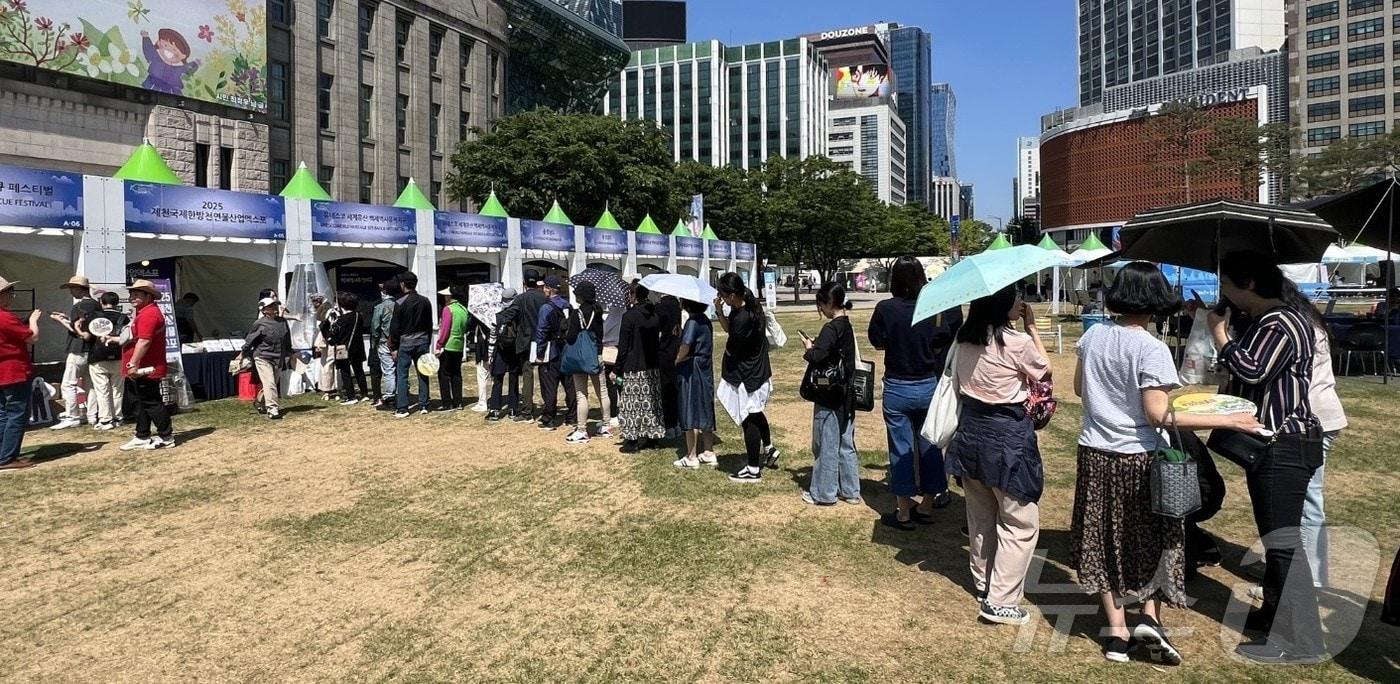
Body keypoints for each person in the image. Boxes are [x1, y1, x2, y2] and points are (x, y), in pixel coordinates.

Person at [1071, 263, 1264, 664]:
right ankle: (1150, 618)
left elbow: (1079, 388)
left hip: (1094, 451)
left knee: (1102, 538)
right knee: (1157, 536)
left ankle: (1116, 632)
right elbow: (1158, 415)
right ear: (1158, 298)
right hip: (1139, 456)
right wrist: (1228, 418)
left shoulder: (1092, 335)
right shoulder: (1151, 348)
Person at [1210, 251, 1326, 664]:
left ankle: (1302, 641)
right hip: (1285, 445)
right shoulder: (1276, 319)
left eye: (1227, 286)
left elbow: (1254, 370)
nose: (1223, 294)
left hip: (1284, 446)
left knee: (1282, 544)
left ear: (1251, 285)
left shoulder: (1280, 321)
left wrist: (1220, 335)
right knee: (1279, 539)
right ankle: (1275, 615)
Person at [944, 285, 1050, 626]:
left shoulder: (963, 339)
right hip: (1007, 436)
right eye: (1016, 297)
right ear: (1004, 304)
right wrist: (1032, 328)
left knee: (980, 515)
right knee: (1019, 520)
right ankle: (1001, 599)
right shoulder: (1015, 343)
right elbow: (1044, 371)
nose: (1021, 302)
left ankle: (983, 582)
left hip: (971, 431)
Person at [868, 256, 963, 529]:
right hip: (926, 384)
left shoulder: (885, 308)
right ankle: (928, 503)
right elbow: (944, 337)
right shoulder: (932, 308)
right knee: (930, 445)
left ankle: (903, 510)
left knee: (900, 447)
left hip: (897, 385)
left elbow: (877, 340)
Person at [1282, 280, 1347, 593]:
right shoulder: (1310, 322)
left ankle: (1311, 577)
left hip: (1314, 420)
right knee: (1306, 499)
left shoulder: (1296, 328)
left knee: (1308, 500)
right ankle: (1304, 573)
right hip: (1322, 417)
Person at [801, 282, 861, 506]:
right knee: (846, 444)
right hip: (847, 393)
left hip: (830, 393)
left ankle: (823, 493)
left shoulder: (831, 327)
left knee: (826, 443)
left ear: (828, 303)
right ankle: (851, 490)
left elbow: (817, 356)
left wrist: (808, 346)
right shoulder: (846, 325)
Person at [715, 273, 778, 483]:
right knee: (756, 412)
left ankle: (753, 469)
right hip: (758, 369)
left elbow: (732, 345)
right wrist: (719, 311)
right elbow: (729, 330)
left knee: (749, 418)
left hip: (749, 374)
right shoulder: (747, 304)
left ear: (732, 295)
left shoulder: (743, 317)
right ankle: (768, 449)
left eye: (723, 295)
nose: (722, 299)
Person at [118, 279, 175, 451]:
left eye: (137, 294)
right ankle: (142, 434)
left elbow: (144, 341)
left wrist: (132, 364)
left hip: (145, 367)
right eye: (131, 294)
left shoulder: (149, 314)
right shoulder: (143, 313)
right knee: (138, 403)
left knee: (151, 402)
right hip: (139, 367)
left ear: (148, 296)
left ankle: (166, 436)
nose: (132, 297)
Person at [615, 282, 665, 453]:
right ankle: (652, 436)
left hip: (634, 364)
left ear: (633, 295)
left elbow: (623, 346)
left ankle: (632, 440)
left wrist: (617, 368)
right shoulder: (654, 315)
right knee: (651, 402)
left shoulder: (629, 316)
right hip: (652, 363)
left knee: (632, 404)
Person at [50, 275, 101, 430]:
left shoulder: (79, 306)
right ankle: (92, 415)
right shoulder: (96, 305)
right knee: (90, 385)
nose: (71, 291)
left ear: (80, 289)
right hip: (92, 349)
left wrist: (60, 321)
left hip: (77, 349)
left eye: (72, 288)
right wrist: (66, 319)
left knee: (68, 384)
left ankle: (72, 416)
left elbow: (76, 329)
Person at [0, 276, 41, 470]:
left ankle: (3, 454)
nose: (12, 297)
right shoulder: (5, 317)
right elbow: (32, 338)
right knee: (17, 414)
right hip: (13, 370)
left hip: (3, 372)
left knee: (2, 415)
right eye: (9, 293)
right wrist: (33, 320)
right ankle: (7, 457)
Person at [673, 298, 717, 469]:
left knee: (689, 408)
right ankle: (708, 451)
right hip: (704, 368)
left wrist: (676, 360)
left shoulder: (692, 322)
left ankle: (691, 455)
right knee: (705, 406)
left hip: (692, 369)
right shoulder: (705, 320)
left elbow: (686, 346)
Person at [564, 281, 609, 444]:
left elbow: (571, 337)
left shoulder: (577, 314)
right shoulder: (598, 311)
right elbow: (600, 335)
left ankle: (582, 429)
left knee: (581, 394)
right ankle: (605, 425)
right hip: (596, 355)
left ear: (581, 295)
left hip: (580, 358)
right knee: (602, 391)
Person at [80, 291, 128, 430]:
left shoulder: (94, 317)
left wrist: (77, 327)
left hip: (98, 357)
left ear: (101, 302)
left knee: (102, 390)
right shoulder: (123, 318)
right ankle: (118, 417)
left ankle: (105, 420)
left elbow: (87, 337)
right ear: (117, 303)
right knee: (117, 389)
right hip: (119, 355)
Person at [532, 276, 575, 431]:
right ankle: (572, 416)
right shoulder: (568, 306)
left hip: (551, 350)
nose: (543, 290)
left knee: (549, 385)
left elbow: (542, 331)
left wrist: (540, 352)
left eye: (545, 287)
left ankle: (549, 417)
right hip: (567, 350)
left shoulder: (546, 308)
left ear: (549, 289)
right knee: (569, 384)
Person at [389, 271, 434, 418]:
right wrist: (428, 341)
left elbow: (394, 328)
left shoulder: (399, 303)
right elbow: (429, 323)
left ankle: (403, 407)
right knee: (423, 371)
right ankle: (424, 404)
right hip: (422, 341)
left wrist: (393, 347)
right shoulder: (425, 301)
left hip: (406, 343)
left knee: (402, 375)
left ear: (403, 284)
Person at [240, 297, 293, 420]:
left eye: (275, 305)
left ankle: (260, 402)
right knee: (270, 383)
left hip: (278, 357)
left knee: (271, 384)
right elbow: (250, 340)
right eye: (271, 306)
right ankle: (272, 409)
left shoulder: (282, 322)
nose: (274, 307)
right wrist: (242, 353)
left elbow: (287, 338)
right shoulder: (259, 323)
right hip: (263, 356)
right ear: (263, 310)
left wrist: (290, 352)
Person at [513, 270, 547, 420]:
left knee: (527, 375)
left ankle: (527, 411)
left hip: (526, 342)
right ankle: (549, 408)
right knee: (545, 375)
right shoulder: (545, 299)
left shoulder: (520, 299)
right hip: (543, 341)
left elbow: (511, 316)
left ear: (524, 282)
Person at [325, 292, 369, 405]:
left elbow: (332, 337)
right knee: (359, 370)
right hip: (358, 347)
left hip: (343, 348)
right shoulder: (358, 316)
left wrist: (330, 321)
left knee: (345, 372)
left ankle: (351, 396)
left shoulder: (341, 320)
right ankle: (365, 394)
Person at [488, 288, 522, 422]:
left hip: (500, 350)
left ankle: (495, 410)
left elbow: (492, 337)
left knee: (498, 380)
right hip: (514, 350)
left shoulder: (498, 316)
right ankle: (513, 408)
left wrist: (490, 355)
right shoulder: (518, 315)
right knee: (513, 379)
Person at [434, 286, 470, 411]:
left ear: (450, 296)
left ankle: (447, 402)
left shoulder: (448, 309)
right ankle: (458, 401)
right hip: (459, 345)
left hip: (448, 345)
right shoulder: (463, 309)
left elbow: (445, 329)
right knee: (456, 374)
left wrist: (439, 345)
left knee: (444, 374)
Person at [655, 294, 683, 436]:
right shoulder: (676, 306)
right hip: (676, 349)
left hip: (663, 351)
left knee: (665, 389)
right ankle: (677, 422)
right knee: (674, 388)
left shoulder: (661, 307)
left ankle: (668, 424)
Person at [369, 278, 397, 407]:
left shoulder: (380, 307)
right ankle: (402, 391)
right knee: (400, 369)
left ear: (384, 292)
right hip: (400, 341)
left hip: (385, 342)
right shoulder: (399, 304)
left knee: (389, 370)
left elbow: (375, 327)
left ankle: (389, 396)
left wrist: (374, 342)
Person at [313, 294, 339, 400]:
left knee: (329, 365)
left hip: (329, 340)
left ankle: (330, 389)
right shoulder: (325, 310)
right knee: (329, 365)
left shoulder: (327, 311)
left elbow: (325, 326)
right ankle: (331, 388)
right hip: (327, 340)